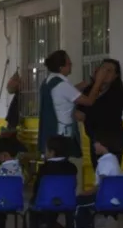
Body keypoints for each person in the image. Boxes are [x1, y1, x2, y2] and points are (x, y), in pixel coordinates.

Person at [38, 50, 106, 190]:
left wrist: (88, 82)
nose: (71, 66)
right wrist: (98, 82)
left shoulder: (49, 81)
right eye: (69, 64)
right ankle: (74, 201)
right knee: (72, 171)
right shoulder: (62, 85)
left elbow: (70, 92)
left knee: (54, 173)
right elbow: (88, 101)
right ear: (61, 67)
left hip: (52, 135)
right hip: (64, 136)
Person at [57, 129, 123, 228]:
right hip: (112, 197)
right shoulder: (113, 159)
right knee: (84, 201)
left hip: (105, 198)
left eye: (95, 143)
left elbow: (102, 185)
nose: (93, 146)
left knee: (77, 202)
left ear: (102, 144)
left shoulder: (105, 162)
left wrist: (86, 192)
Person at [76, 59, 123, 169]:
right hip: (94, 139)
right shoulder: (89, 90)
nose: (104, 73)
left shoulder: (118, 93)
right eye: (102, 69)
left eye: (109, 70)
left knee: (109, 175)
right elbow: (80, 114)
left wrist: (97, 82)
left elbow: (97, 113)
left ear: (115, 76)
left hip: (112, 140)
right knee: (98, 174)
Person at [28, 135, 77, 228]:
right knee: (57, 200)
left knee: (35, 202)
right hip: (67, 201)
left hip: (45, 201)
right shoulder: (72, 167)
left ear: (52, 152)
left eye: (46, 150)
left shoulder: (44, 168)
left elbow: (37, 187)